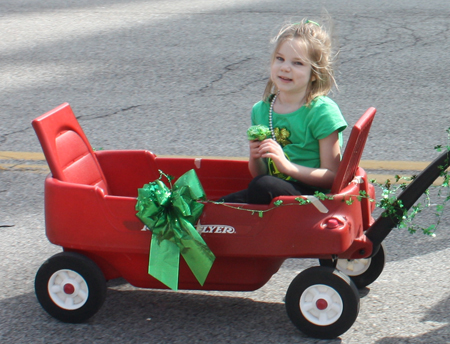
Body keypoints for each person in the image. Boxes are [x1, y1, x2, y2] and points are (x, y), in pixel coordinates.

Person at [220, 19, 347, 204]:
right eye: (280, 59)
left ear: (314, 73)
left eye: (297, 63)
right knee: (217, 208)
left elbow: (332, 176)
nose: (285, 67)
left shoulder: (322, 111)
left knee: (262, 186)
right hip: (273, 187)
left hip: (314, 197)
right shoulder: (261, 110)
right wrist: (255, 156)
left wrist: (287, 166)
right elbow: (260, 173)